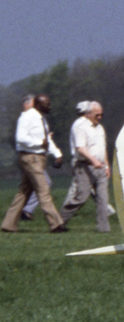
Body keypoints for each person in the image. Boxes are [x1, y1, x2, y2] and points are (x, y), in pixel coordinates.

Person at [2, 93, 66, 232]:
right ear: (38, 104)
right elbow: (20, 138)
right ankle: (56, 224)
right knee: (43, 189)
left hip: (39, 158)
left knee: (23, 192)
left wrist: (57, 154)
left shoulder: (41, 119)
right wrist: (39, 144)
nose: (49, 106)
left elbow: (47, 141)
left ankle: (8, 225)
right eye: (46, 103)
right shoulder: (27, 117)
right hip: (30, 158)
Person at [61, 101, 111, 232]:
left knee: (103, 199)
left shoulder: (100, 128)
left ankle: (104, 228)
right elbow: (80, 148)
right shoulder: (81, 127)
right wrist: (93, 160)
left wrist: (107, 165)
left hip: (100, 167)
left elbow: (103, 148)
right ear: (89, 114)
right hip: (84, 166)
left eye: (101, 115)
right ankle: (58, 221)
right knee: (81, 197)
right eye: (97, 115)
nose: (99, 117)